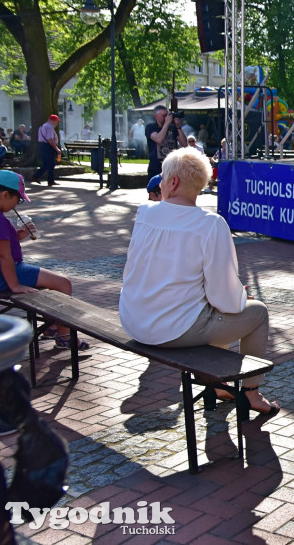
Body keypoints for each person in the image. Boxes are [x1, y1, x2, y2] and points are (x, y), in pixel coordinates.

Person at [119, 148, 279, 419]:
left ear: (173, 182)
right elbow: (224, 298)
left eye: (162, 177)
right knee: (258, 312)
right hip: (171, 331)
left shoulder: (145, 212)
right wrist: (240, 297)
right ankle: (251, 392)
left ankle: (215, 383)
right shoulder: (210, 224)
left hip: (134, 321)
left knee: (209, 309)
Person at [0, 170, 82, 350]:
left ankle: (50, 327)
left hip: (0, 272)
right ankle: (64, 336)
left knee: (48, 282)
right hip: (1, 275)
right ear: (5, 195)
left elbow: (0, 247)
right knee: (63, 284)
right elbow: (4, 256)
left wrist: (18, 236)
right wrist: (15, 285)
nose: (17, 205)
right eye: (17, 200)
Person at [145, 106, 182, 178]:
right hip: (156, 166)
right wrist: (167, 123)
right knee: (155, 188)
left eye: (167, 115)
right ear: (156, 116)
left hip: (172, 165)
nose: (166, 117)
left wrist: (178, 127)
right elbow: (159, 139)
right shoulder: (151, 127)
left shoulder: (172, 127)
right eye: (164, 115)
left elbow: (184, 143)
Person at [32, 115, 61, 186]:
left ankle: (36, 176)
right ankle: (50, 180)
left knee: (46, 163)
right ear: (52, 121)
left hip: (42, 145)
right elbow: (50, 139)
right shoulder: (49, 127)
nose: (56, 123)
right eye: (56, 121)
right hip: (48, 146)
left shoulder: (42, 126)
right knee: (51, 163)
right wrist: (56, 149)